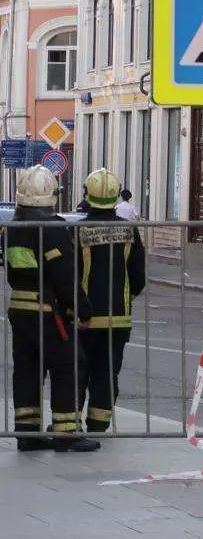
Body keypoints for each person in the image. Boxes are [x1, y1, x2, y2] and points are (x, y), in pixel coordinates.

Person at [7, 165, 98, 452]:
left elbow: (13, 272)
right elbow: (64, 276)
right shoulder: (54, 229)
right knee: (68, 366)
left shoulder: (13, 228)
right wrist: (83, 310)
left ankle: (27, 432)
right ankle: (67, 433)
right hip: (49, 312)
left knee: (27, 370)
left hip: (20, 310)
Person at [78, 169, 146, 433]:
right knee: (107, 372)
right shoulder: (129, 231)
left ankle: (70, 424)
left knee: (78, 371)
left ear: (87, 195)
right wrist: (126, 297)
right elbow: (138, 275)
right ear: (116, 196)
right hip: (118, 317)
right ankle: (99, 423)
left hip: (81, 317)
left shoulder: (77, 229)